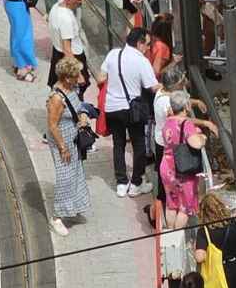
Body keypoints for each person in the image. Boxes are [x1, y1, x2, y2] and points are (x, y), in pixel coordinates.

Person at [101, 28, 159, 197]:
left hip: (112, 107)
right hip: (132, 109)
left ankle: (121, 182)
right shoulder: (141, 61)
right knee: (139, 145)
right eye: (147, 45)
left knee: (118, 144)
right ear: (140, 43)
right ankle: (136, 183)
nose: (148, 48)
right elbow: (152, 86)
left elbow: (101, 77)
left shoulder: (113, 54)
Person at [44, 57, 93, 237]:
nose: (79, 78)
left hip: (73, 138)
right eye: (75, 75)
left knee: (76, 172)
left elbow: (77, 107)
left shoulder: (71, 87)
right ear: (66, 78)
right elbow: (52, 125)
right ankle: (57, 217)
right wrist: (62, 147)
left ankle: (72, 209)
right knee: (65, 177)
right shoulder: (56, 98)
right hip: (61, 141)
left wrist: (82, 116)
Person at [157, 90, 213, 233]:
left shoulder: (167, 121)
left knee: (171, 203)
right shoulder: (186, 124)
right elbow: (196, 144)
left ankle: (169, 233)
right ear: (186, 106)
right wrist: (202, 138)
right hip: (183, 168)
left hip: (167, 164)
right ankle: (177, 236)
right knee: (185, 206)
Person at [45, 0, 89, 88]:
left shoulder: (56, 7)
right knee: (73, 93)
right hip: (72, 57)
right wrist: (78, 75)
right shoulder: (66, 19)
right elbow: (67, 49)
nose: (80, 2)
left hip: (57, 54)